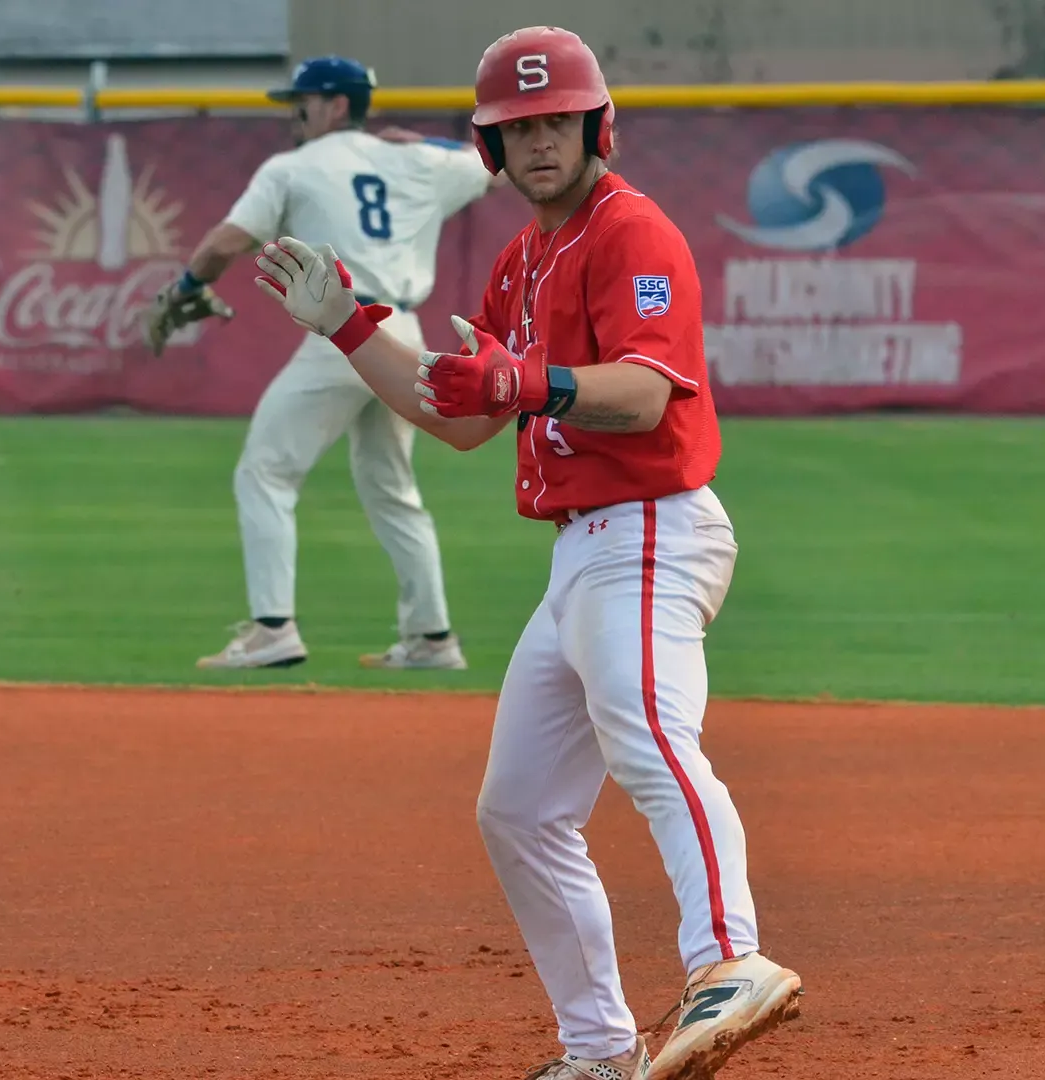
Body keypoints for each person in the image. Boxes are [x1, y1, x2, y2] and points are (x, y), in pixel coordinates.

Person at [252, 25, 801, 1080]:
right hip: (583, 555)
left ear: (598, 126)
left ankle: (730, 957)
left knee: (648, 734)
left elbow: (644, 397)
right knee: (519, 811)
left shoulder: (631, 233)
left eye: (558, 121)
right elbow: (455, 416)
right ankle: (598, 1053)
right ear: (490, 147)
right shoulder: (521, 259)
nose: (541, 140)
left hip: (650, 530)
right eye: (518, 127)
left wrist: (527, 381)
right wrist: (351, 325)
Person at [146, 55, 503, 671]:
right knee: (392, 487)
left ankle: (272, 629)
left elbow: (226, 241)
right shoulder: (420, 161)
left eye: (303, 101)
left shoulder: (292, 167)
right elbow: (498, 166)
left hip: (344, 327)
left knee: (266, 471)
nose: (294, 114)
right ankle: (432, 638)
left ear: (337, 105)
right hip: (407, 334)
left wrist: (182, 288)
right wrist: (431, 141)